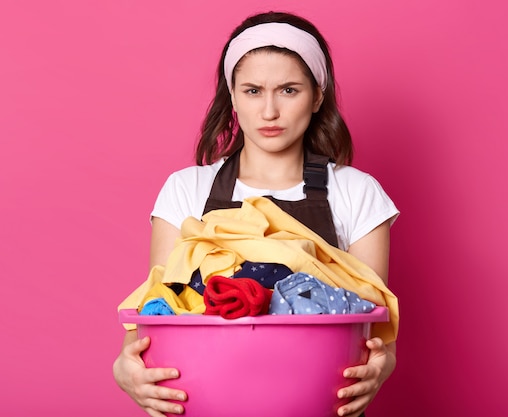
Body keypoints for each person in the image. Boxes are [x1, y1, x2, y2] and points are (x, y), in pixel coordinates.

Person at [113, 11, 399, 417]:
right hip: (202, 404)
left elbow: (373, 329)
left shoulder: (356, 192)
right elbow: (157, 308)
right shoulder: (186, 189)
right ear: (231, 96)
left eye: (288, 90)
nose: (269, 112)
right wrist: (124, 368)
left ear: (317, 96)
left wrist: (382, 366)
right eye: (251, 91)